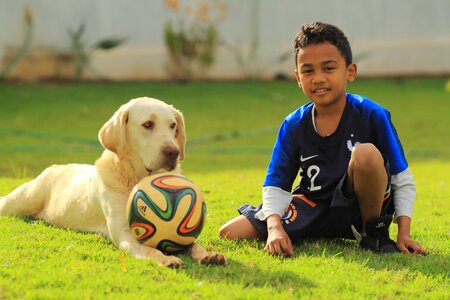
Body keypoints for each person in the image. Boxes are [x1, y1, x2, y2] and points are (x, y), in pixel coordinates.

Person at [219, 22, 426, 256]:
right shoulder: (293, 124)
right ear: (298, 77)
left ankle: (373, 236)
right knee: (230, 232)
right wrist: (275, 227)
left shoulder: (372, 114)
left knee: (365, 153)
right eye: (308, 71)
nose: (318, 78)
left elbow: (402, 178)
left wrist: (404, 233)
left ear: (350, 71)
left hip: (358, 210)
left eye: (328, 68)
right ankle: (316, 230)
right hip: (313, 205)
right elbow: (276, 183)